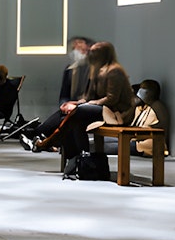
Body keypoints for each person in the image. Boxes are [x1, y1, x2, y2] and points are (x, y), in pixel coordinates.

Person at [22, 41, 135, 169]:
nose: (90, 55)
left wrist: (84, 105)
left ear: (104, 54)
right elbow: (88, 97)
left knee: (77, 112)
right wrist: (73, 103)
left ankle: (46, 140)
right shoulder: (96, 70)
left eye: (94, 53)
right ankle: (77, 159)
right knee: (71, 117)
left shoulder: (115, 71)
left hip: (117, 113)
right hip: (102, 109)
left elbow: (112, 99)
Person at [129, 79, 170, 157]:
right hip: (137, 140)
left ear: (148, 92)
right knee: (106, 140)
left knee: (107, 146)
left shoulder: (158, 107)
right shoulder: (145, 107)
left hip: (147, 144)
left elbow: (160, 128)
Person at [59, 36, 92, 104]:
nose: (77, 47)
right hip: (71, 105)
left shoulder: (94, 69)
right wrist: (65, 105)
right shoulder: (70, 69)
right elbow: (64, 95)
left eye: (80, 43)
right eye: (74, 46)